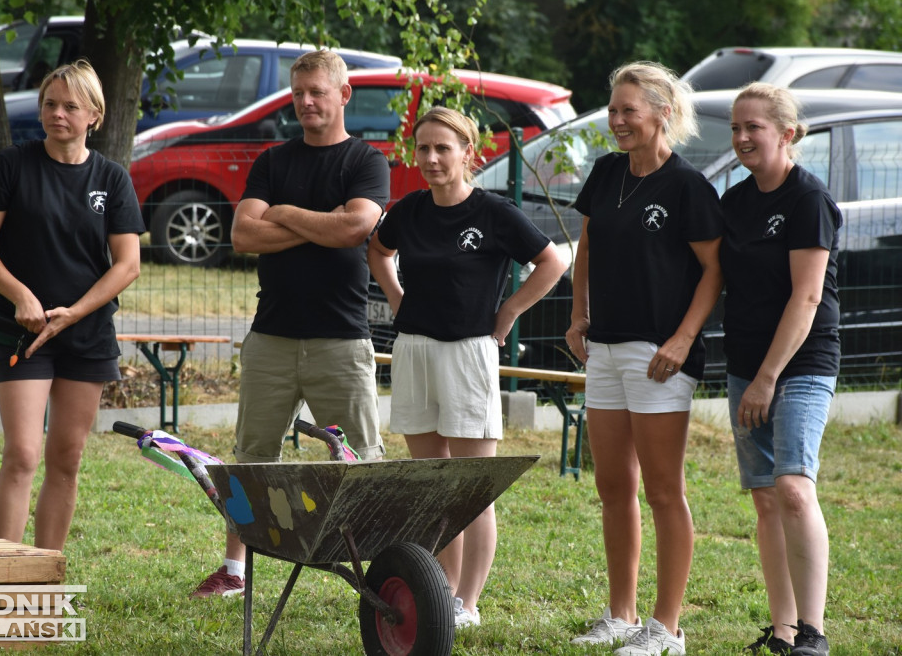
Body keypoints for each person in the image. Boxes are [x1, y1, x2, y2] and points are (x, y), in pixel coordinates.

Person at [190, 50, 388, 598]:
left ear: (343, 95)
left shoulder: (366, 161)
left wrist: (284, 213)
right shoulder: (273, 162)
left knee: (359, 461)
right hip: (271, 337)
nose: (306, 103)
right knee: (250, 460)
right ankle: (234, 571)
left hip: (341, 339)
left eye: (317, 92)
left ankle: (381, 577)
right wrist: (323, 224)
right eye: (299, 93)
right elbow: (243, 236)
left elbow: (356, 228)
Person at [368, 106, 567, 628]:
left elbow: (553, 261)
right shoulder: (409, 210)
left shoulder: (494, 213)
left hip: (469, 353)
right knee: (432, 483)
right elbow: (378, 251)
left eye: (443, 149)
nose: (431, 158)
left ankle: (468, 603)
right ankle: (442, 592)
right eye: (424, 148)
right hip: (413, 349)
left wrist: (508, 312)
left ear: (468, 154)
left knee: (473, 487)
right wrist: (396, 299)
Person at [563, 61, 723, 655]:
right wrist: (579, 317)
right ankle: (621, 616)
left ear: (663, 113)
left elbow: (713, 270)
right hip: (603, 348)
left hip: (658, 356)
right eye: (613, 109)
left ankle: (667, 629)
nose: (618, 120)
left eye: (630, 110)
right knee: (612, 486)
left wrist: (681, 341)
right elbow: (586, 249)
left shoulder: (687, 186)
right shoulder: (606, 174)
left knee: (662, 489)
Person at [0, 59, 144, 551]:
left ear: (94, 116)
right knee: (22, 453)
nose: (56, 114)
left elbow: (127, 264)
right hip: (23, 331)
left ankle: (44, 577)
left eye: (69, 106)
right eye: (49, 104)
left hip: (85, 334)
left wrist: (76, 312)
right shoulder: (12, 165)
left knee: (66, 458)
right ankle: (4, 579)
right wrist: (21, 295)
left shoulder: (112, 178)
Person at [721, 83, 840, 656]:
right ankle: (783, 630)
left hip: (801, 363)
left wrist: (769, 378)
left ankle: (813, 633)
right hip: (745, 362)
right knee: (766, 497)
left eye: (755, 128)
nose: (742, 138)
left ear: (787, 133)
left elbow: (807, 298)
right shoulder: (736, 201)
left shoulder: (807, 199)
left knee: (794, 486)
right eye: (736, 128)